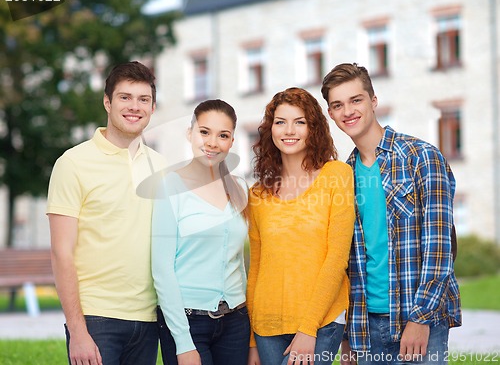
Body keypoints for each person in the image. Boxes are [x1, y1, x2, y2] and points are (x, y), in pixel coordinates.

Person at [320, 63, 462, 365]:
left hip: (420, 320)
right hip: (365, 328)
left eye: (355, 100)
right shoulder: (343, 175)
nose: (348, 111)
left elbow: (440, 247)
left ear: (373, 101)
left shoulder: (421, 157)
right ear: (331, 114)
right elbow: (346, 261)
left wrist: (420, 319)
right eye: (338, 105)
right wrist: (348, 335)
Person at [47, 61, 166, 365]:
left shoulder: (162, 168)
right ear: (107, 102)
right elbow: (62, 253)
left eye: (143, 100)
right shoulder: (72, 163)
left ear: (153, 108)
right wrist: (78, 331)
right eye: (125, 97)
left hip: (149, 318)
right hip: (96, 318)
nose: (134, 107)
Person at [247, 87, 356, 365]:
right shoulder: (258, 194)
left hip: (320, 322)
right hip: (266, 327)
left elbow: (337, 257)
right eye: (280, 122)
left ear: (313, 128)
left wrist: (309, 327)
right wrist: (251, 341)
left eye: (299, 122)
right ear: (270, 129)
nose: (289, 130)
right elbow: (257, 266)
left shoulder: (337, 175)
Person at [152, 99, 250, 365]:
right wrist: (183, 342)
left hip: (236, 321)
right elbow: (162, 269)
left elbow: (239, 261)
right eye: (204, 132)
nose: (212, 142)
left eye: (223, 135)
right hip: (188, 322)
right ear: (190, 133)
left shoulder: (238, 188)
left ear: (231, 142)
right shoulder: (170, 187)